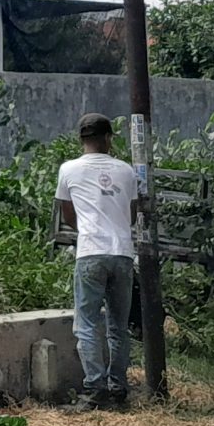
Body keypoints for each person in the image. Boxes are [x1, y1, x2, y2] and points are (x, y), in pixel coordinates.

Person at [57, 113, 139, 410]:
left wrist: (87, 229)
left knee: (88, 324)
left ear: (81, 139)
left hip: (90, 252)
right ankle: (118, 389)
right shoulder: (127, 171)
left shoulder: (69, 170)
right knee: (118, 325)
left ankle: (95, 390)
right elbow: (131, 214)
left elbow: (68, 214)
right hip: (122, 254)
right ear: (108, 138)